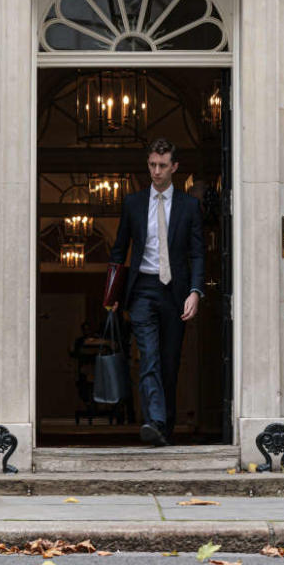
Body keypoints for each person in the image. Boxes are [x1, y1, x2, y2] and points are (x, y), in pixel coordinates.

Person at [104, 138, 205, 446]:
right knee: (148, 357)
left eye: (162, 166)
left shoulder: (189, 207)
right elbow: (120, 250)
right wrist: (112, 294)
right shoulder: (133, 203)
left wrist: (195, 291)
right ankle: (154, 421)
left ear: (174, 167)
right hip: (143, 290)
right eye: (152, 165)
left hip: (175, 291)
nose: (156, 171)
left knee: (169, 361)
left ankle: (165, 424)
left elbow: (198, 253)